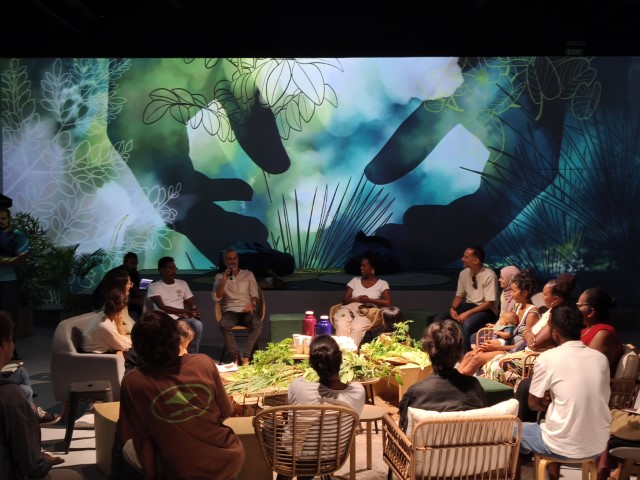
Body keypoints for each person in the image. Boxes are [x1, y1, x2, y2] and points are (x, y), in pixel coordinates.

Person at [119, 310, 244, 479]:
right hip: (228, 457)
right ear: (176, 339)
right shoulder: (203, 362)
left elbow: (143, 440)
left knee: (126, 444)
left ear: (139, 347)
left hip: (182, 470)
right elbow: (225, 412)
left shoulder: (133, 382)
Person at [515, 305, 611, 480]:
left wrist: (548, 403)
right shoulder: (600, 359)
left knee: (510, 431)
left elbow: (533, 404)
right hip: (597, 445)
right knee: (555, 424)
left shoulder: (548, 358)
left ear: (554, 331)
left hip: (562, 445)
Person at [284, 334, 366, 480]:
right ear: (341, 360)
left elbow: (287, 413)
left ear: (311, 364)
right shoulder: (358, 392)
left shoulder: (298, 386)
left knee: (278, 427)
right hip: (333, 457)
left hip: (296, 457)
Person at [0, 311, 71, 479]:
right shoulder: (11, 397)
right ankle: (32, 412)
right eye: (11, 339)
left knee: (21, 374)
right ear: (4, 344)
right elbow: (32, 467)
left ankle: (32, 411)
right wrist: (43, 461)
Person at [398, 319, 486, 432]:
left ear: (427, 351)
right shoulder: (474, 386)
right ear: (460, 352)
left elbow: (404, 427)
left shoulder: (415, 392)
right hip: (467, 443)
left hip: (427, 443)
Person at [457, 268, 540, 376]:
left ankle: (460, 382)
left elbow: (527, 345)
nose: (512, 294)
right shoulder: (518, 307)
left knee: (477, 358)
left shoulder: (531, 314)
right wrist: (496, 328)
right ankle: (454, 379)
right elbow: (508, 326)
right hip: (506, 345)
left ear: (524, 293)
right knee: (469, 355)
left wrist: (499, 347)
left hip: (515, 351)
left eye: (514, 291)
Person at [433, 246, 499, 352]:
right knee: (439, 319)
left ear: (476, 260)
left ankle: (465, 356)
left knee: (468, 324)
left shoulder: (489, 275)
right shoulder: (463, 273)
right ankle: (440, 351)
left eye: (466, 257)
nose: (462, 259)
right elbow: (459, 296)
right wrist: (452, 309)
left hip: (487, 309)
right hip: (470, 305)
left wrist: (467, 313)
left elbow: (489, 303)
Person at [212, 247, 261, 365]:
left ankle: (246, 357)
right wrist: (224, 280)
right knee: (224, 324)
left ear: (238, 259)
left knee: (257, 324)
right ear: (225, 261)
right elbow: (216, 297)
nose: (232, 261)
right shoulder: (219, 277)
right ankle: (236, 356)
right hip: (231, 311)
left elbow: (255, 295)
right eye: (229, 259)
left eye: (234, 258)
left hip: (246, 310)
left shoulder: (248, 274)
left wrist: (252, 304)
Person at [332, 251, 392, 347]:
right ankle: (340, 352)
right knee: (341, 324)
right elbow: (345, 300)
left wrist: (369, 300)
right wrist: (357, 299)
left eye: (364, 266)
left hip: (366, 312)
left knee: (357, 327)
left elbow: (387, 302)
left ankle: (350, 352)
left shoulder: (382, 283)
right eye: (361, 265)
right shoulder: (355, 280)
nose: (361, 268)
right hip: (349, 309)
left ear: (372, 267)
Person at [147, 256, 202, 353]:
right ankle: (173, 354)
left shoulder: (182, 283)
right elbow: (163, 307)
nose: (174, 271)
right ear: (162, 270)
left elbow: (191, 302)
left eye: (175, 268)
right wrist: (185, 311)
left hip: (181, 318)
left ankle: (192, 354)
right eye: (170, 268)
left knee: (197, 324)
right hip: (164, 318)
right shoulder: (154, 286)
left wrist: (194, 312)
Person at [0, 208, 28, 353]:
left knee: (9, 317)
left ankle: (10, 349)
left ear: (9, 219)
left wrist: (2, 260)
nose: (0, 222)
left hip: (8, 282)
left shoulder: (18, 236)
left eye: (3, 218)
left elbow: (21, 259)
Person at [578, 287, 623, 375]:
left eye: (579, 305)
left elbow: (591, 371)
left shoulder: (602, 334)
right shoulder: (586, 330)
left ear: (591, 312)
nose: (576, 309)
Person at [93, 252, 144, 320]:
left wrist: (142, 298)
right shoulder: (117, 275)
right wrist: (136, 301)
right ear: (125, 263)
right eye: (132, 263)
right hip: (103, 301)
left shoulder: (135, 273)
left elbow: (136, 290)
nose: (135, 266)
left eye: (136, 264)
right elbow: (115, 296)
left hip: (120, 298)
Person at [82, 289, 132, 354]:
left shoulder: (102, 315)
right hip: (97, 356)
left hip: (101, 352)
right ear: (120, 311)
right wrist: (119, 324)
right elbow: (126, 346)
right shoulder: (105, 326)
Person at [92, 268, 136, 334]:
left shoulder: (121, 304)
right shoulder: (111, 310)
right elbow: (119, 337)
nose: (131, 286)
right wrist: (119, 325)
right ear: (121, 287)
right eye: (129, 283)